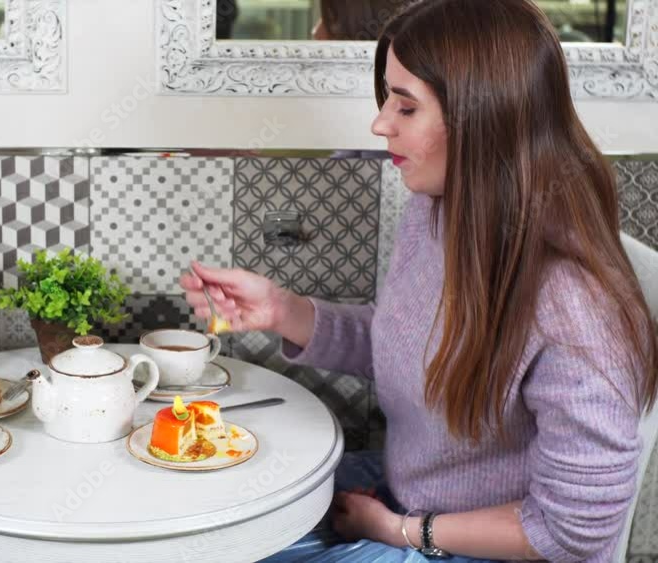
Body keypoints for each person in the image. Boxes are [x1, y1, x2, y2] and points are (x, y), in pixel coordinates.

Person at [182, 0, 657, 561]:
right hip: (407, 499)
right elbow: (414, 348)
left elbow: (575, 530)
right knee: (210, 521)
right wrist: (282, 310)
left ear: (483, 118)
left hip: (478, 545)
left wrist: (400, 531)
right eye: (388, 99)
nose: (380, 123)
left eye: (406, 107)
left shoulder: (573, 308)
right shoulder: (438, 212)